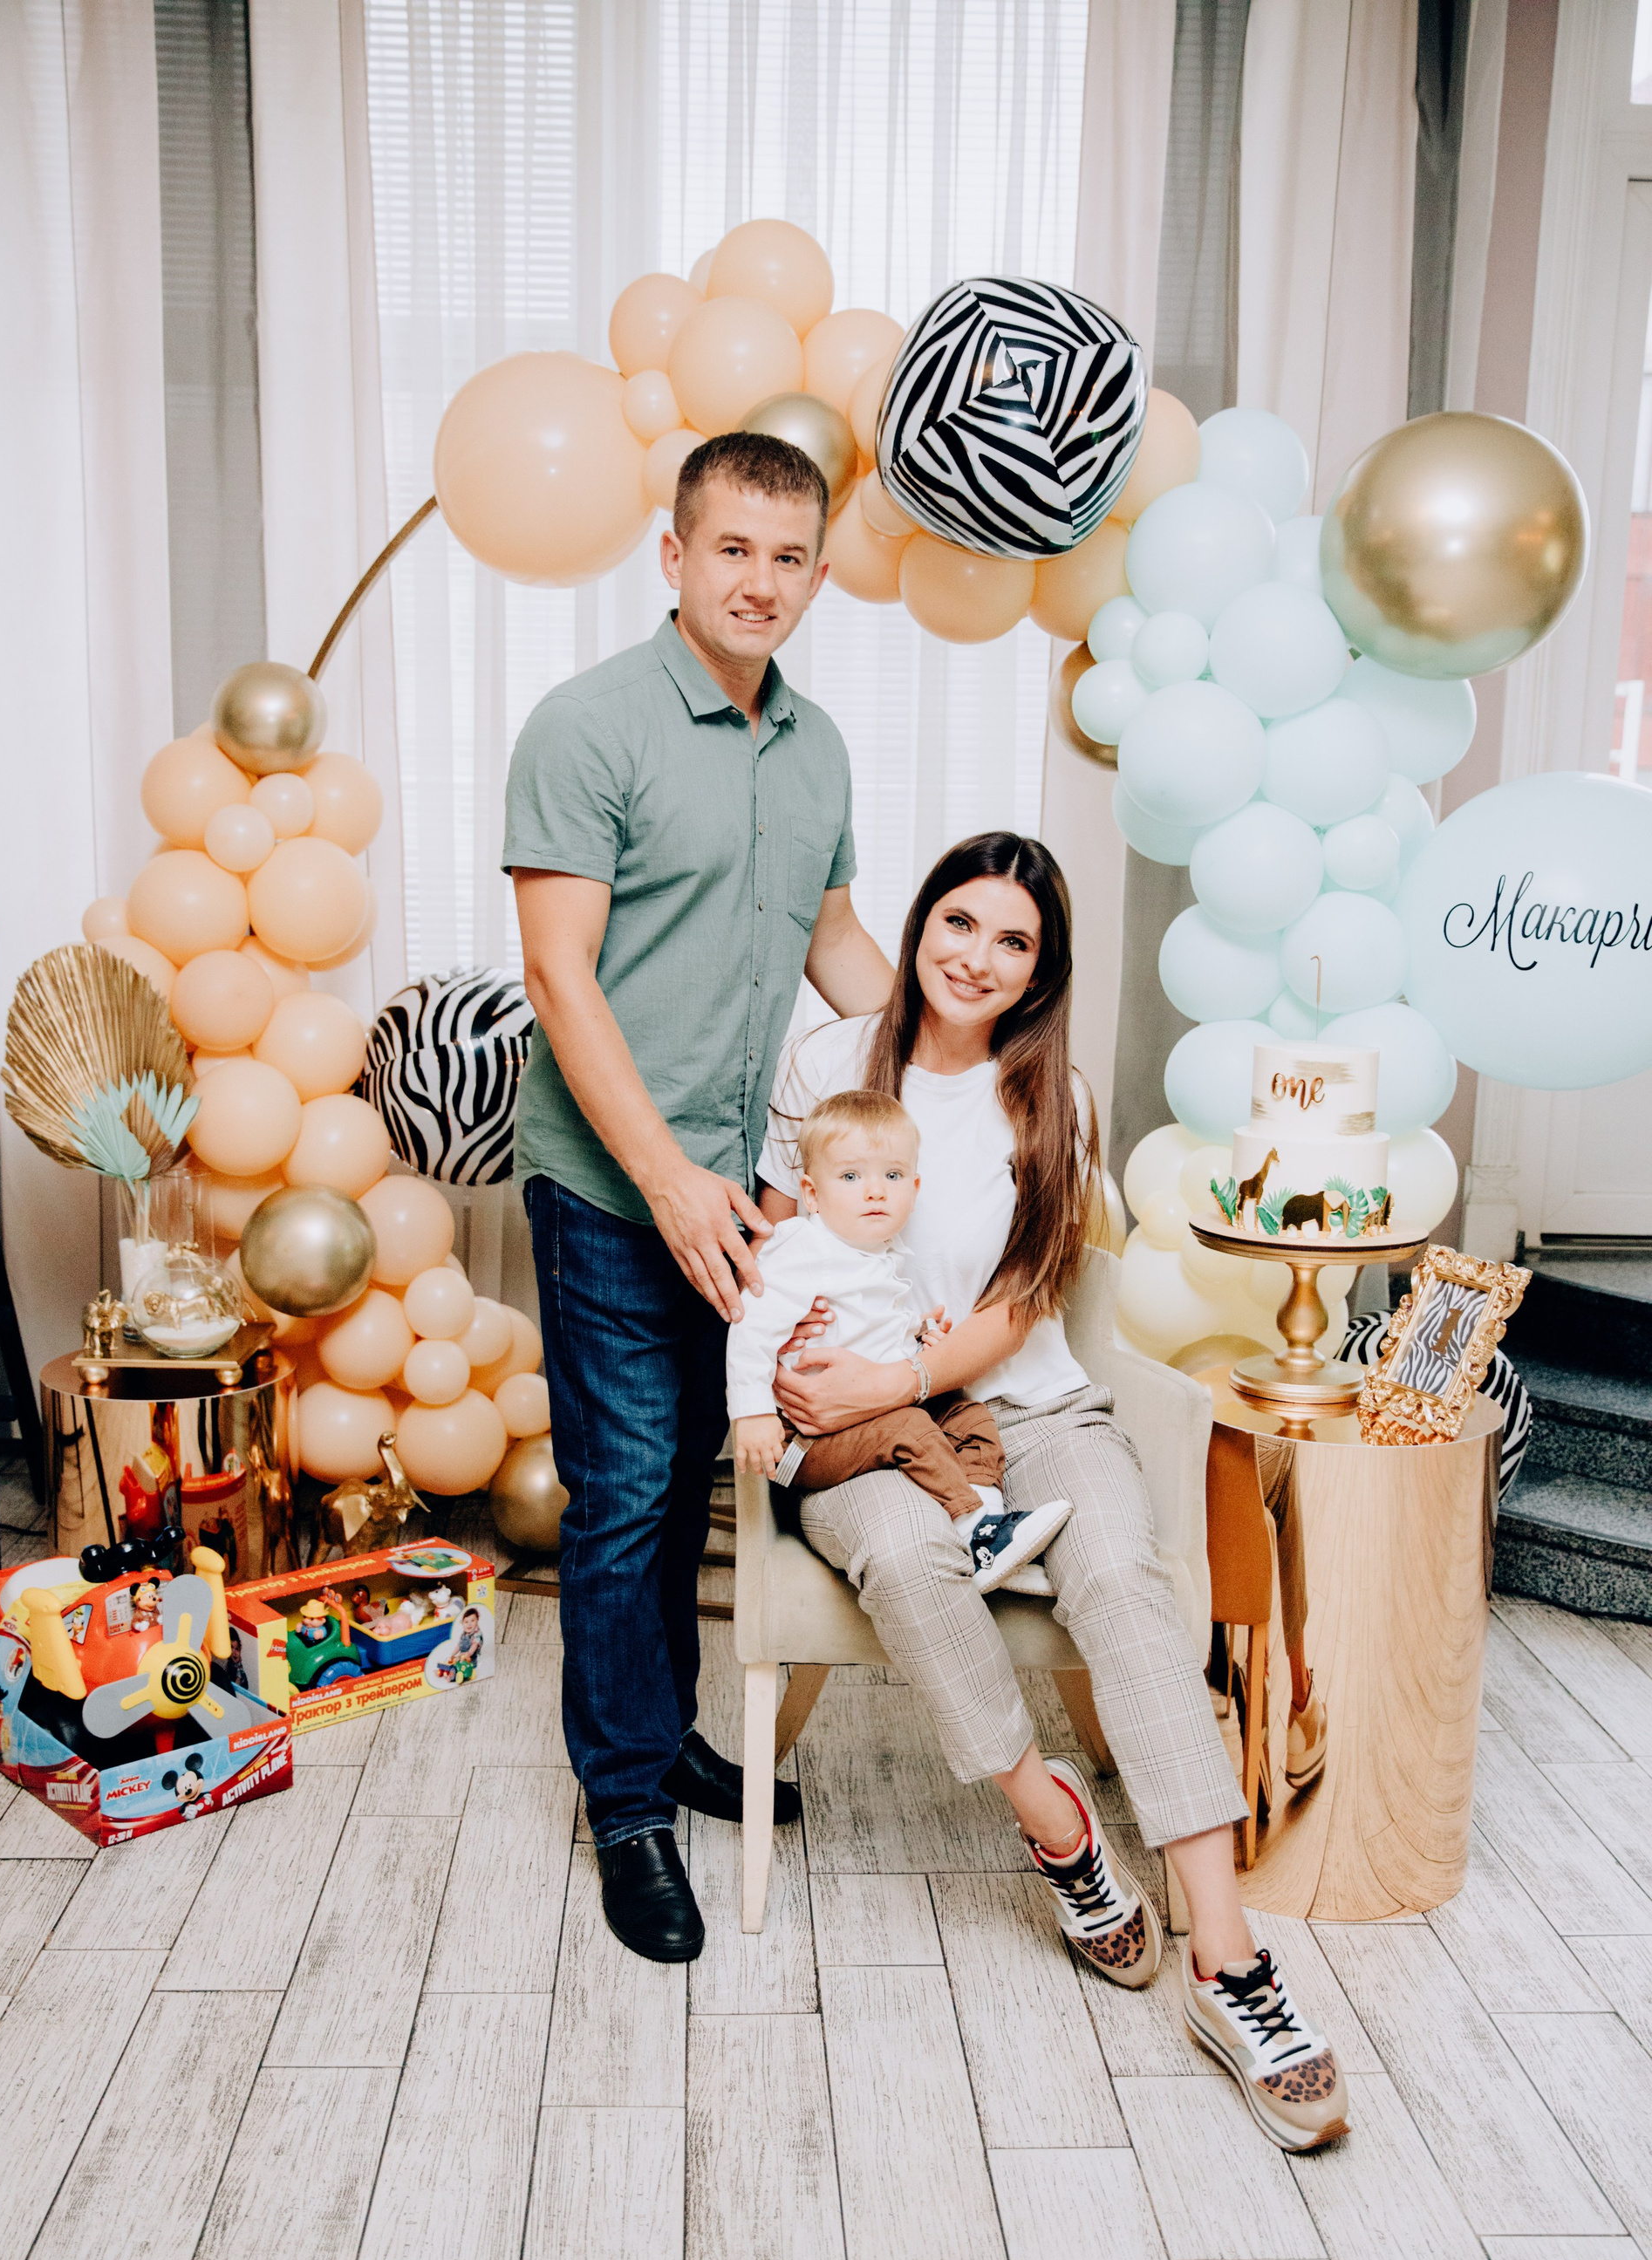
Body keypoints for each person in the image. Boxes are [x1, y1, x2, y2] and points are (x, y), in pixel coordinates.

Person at [761, 831, 1349, 2153]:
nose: (977, 957)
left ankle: (1228, 1963)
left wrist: (903, 1370)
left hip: (1025, 1403)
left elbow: (1029, 1296)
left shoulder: (1054, 1098)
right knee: (908, 1560)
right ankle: (1061, 1827)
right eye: (959, 922)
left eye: (1014, 941)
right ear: (920, 926)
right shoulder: (825, 1061)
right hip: (860, 1430)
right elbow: (775, 1250)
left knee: (1124, 1583)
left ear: (1042, 971)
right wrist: (820, 1382)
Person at [504, 432, 896, 1966]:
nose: (760, 581)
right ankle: (625, 1809)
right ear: (674, 556)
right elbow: (560, 978)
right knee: (623, 1495)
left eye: (789, 557)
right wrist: (665, 1180)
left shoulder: (819, 748)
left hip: (741, 1197)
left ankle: (662, 1738)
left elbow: (836, 948)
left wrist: (965, 1063)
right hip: (615, 1187)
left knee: (686, 1491)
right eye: (732, 548)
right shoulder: (586, 727)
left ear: (817, 575)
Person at [728, 1087, 1071, 1593]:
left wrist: (918, 1335)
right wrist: (752, 1413)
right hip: (805, 1441)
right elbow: (750, 1327)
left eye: (891, 1176)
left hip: (866, 1414)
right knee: (911, 1426)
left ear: (914, 1187)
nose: (875, 1192)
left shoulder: (878, 1251)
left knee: (968, 1415)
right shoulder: (805, 1248)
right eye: (851, 1177)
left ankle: (985, 1528)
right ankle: (974, 1525)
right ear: (812, 1194)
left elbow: (868, 1329)